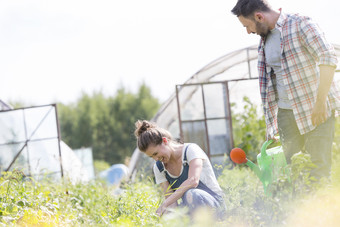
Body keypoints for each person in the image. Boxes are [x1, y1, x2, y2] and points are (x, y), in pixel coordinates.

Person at [231, 0, 340, 179]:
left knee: (318, 169)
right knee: (293, 171)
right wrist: (272, 125)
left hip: (315, 110)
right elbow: (270, 85)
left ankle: (322, 206)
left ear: (259, 16)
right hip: (286, 116)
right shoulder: (265, 39)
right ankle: (300, 207)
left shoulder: (300, 23)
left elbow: (327, 57)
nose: (248, 31)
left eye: (248, 26)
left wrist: (320, 102)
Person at [134, 120, 225, 217]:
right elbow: (172, 204)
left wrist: (165, 204)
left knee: (191, 194)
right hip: (191, 208)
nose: (156, 159)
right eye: (151, 156)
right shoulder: (159, 168)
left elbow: (193, 181)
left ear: (165, 141)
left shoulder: (191, 150)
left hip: (214, 204)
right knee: (168, 216)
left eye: (156, 153)